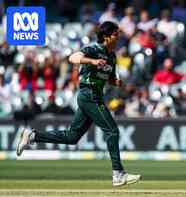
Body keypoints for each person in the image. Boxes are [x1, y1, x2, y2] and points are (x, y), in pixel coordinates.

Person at [16, 21, 141, 187]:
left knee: (72, 137)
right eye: (116, 34)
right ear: (106, 36)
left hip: (94, 95)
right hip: (88, 94)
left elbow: (108, 77)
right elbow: (73, 57)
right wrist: (92, 62)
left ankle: (32, 136)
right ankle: (118, 174)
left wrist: (115, 81)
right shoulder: (94, 49)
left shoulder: (112, 56)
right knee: (112, 131)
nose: (118, 37)